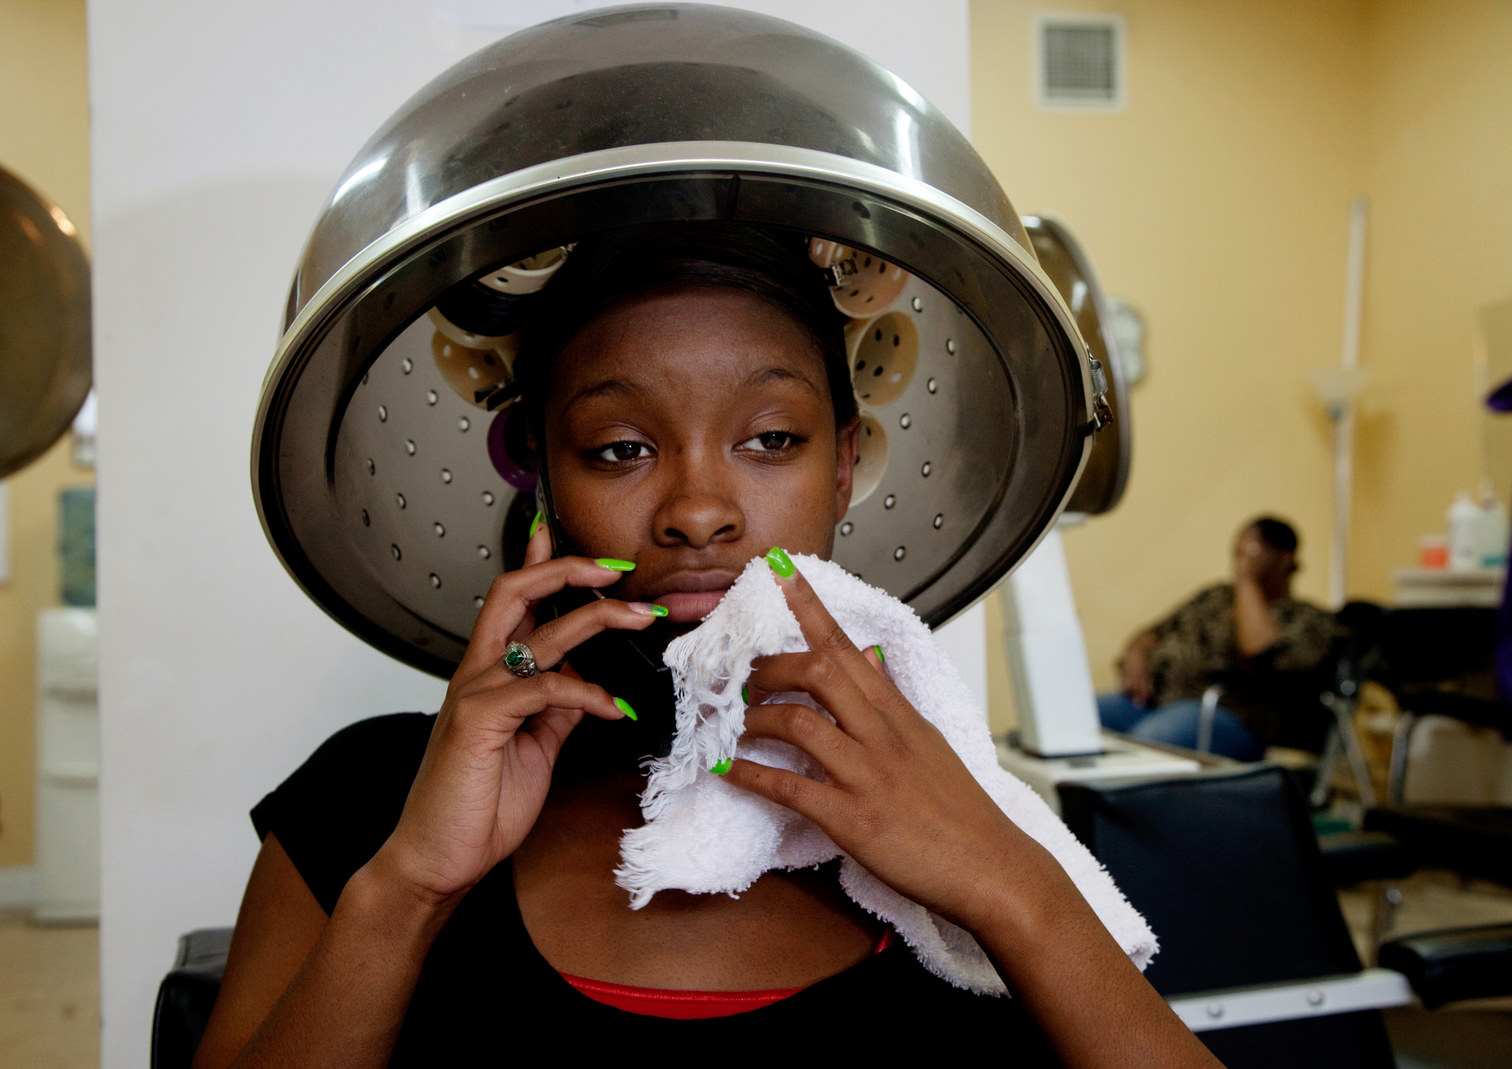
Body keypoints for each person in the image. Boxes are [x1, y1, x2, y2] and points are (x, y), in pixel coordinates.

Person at [195, 226, 1219, 1068]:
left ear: (846, 464)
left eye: (770, 437)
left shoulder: (957, 816)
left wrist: (1017, 888)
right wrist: (411, 886)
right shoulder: (375, 799)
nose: (696, 510)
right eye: (620, 447)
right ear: (542, 479)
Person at [1099, 517, 1337, 761]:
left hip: (1228, 717)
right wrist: (1136, 655)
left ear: (1285, 558)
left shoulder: (1307, 618)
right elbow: (1150, 634)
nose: (1240, 558)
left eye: (1253, 551)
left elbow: (1259, 650)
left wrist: (1246, 579)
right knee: (1074, 722)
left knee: (1142, 746)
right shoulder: (1216, 596)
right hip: (1152, 701)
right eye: (1238, 550)